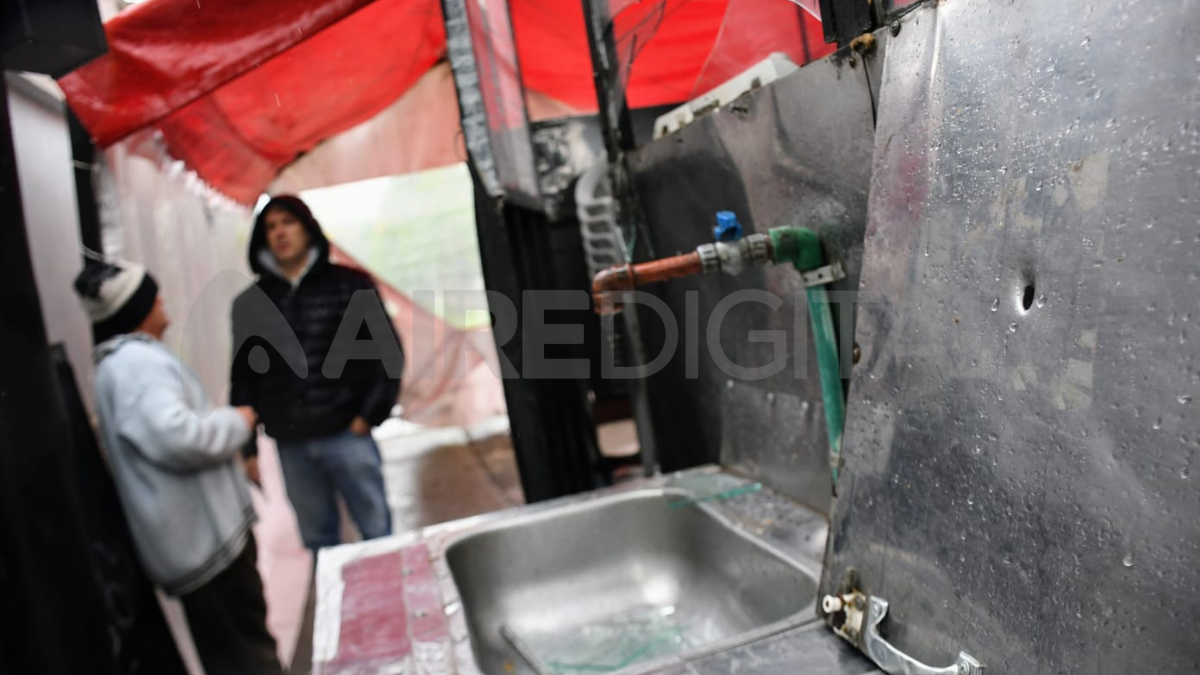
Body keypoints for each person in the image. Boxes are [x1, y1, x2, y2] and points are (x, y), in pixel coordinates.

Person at [74, 258, 282, 675]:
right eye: (154, 297)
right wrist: (235, 423)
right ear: (137, 308)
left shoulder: (127, 363)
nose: (163, 302)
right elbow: (176, 437)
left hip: (200, 544)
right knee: (243, 655)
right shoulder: (135, 365)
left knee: (239, 647)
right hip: (205, 547)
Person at [231, 195, 402, 552]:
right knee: (320, 542)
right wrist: (247, 449)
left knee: (377, 532)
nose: (280, 232)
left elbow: (387, 355)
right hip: (292, 444)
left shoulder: (350, 285)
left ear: (308, 229)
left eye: (287, 222)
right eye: (270, 226)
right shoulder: (250, 305)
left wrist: (368, 416)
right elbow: (243, 379)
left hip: (347, 433)